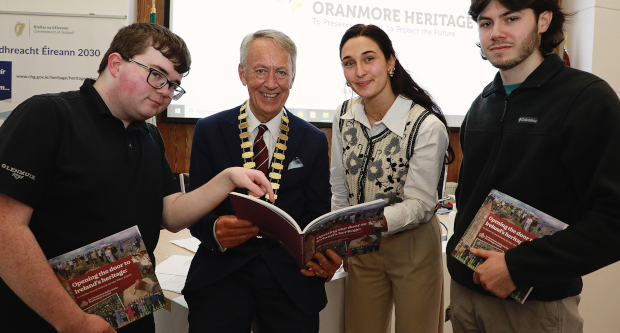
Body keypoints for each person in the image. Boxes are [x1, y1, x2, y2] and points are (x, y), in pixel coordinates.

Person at [0, 22, 274, 333]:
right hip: (50, 319)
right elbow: (5, 228)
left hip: (129, 310)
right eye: (156, 75)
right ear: (116, 64)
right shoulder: (49, 115)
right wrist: (72, 321)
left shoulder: (148, 136)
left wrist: (227, 179)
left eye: (173, 84)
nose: (165, 93)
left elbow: (171, 214)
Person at [446, 0, 620, 332]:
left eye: (510, 18)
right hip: (466, 297)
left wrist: (520, 267)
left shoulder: (586, 100)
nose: (496, 33)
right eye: (485, 22)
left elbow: (613, 220)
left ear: (543, 20)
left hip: (534, 307)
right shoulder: (482, 104)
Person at [182, 29, 341, 333]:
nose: (271, 83)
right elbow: (194, 211)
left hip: (290, 276)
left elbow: (316, 215)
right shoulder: (210, 131)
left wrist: (324, 252)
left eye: (281, 72)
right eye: (260, 71)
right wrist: (214, 230)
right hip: (223, 272)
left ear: (293, 78)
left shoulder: (313, 140)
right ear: (242, 74)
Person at [331, 24, 453, 333]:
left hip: (412, 246)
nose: (359, 71)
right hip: (362, 243)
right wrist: (341, 236)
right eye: (349, 62)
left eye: (368, 58)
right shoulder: (343, 114)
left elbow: (422, 204)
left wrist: (369, 222)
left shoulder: (425, 125)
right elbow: (338, 185)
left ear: (390, 62)